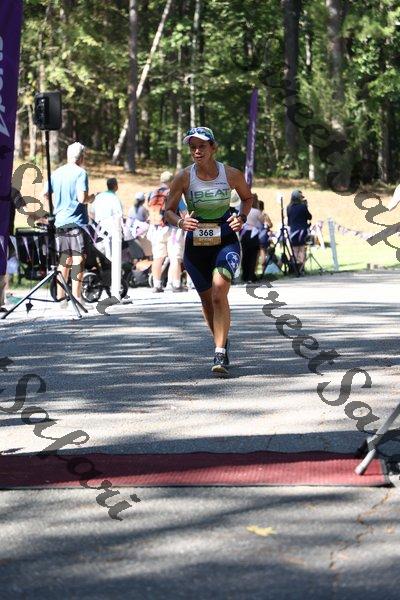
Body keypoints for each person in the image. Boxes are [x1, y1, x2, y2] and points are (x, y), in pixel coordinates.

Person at [165, 126, 252, 375]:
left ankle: (220, 352)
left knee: (218, 292)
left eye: (202, 146)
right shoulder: (183, 177)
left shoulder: (231, 174)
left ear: (213, 148)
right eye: (192, 147)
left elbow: (248, 198)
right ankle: (221, 343)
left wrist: (241, 218)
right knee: (207, 300)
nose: (197, 151)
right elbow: (168, 211)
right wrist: (180, 223)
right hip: (196, 245)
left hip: (225, 240)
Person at [43, 141, 94, 303]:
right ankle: (77, 297)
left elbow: (45, 194)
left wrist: (54, 209)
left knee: (65, 259)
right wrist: (92, 198)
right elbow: (82, 198)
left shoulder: (57, 173)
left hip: (60, 221)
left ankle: (61, 298)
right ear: (82, 157)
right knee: (78, 258)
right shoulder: (81, 173)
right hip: (76, 221)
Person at [147, 171, 186, 293]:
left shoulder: (152, 194)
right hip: (173, 230)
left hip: (157, 228)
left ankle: (157, 285)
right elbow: (184, 213)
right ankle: (176, 284)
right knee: (175, 258)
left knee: (158, 258)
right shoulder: (174, 193)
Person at [91, 177, 123, 260]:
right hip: (110, 226)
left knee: (101, 249)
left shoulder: (98, 196)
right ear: (116, 186)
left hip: (98, 225)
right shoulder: (114, 198)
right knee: (110, 251)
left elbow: (92, 212)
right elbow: (119, 215)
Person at [287, 189, 312, 270]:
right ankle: (301, 268)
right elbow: (309, 217)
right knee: (302, 249)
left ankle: (295, 269)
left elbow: (289, 222)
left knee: (294, 250)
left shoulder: (289, 207)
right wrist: (306, 207)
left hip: (293, 231)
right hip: (302, 230)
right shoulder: (303, 206)